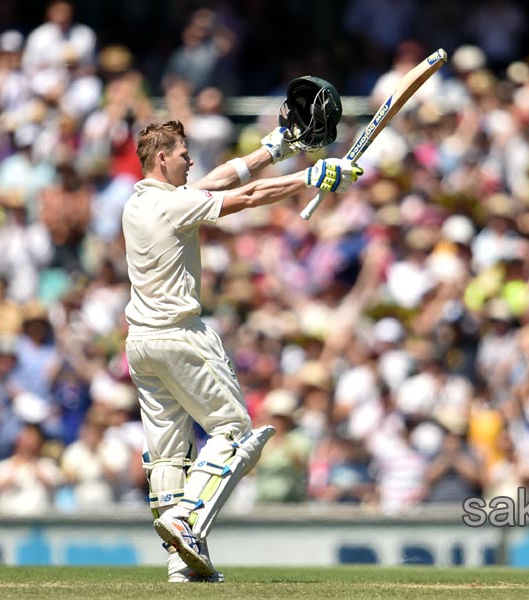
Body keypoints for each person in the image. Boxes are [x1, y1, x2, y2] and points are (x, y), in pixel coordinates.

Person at [123, 119, 361, 583]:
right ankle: (185, 521)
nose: (192, 160)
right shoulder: (173, 206)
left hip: (140, 344)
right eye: (184, 153)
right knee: (232, 432)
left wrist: (276, 149)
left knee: (170, 457)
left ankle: (180, 564)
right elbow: (247, 199)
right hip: (180, 336)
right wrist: (310, 177)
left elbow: (224, 180)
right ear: (162, 158)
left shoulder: (140, 201)